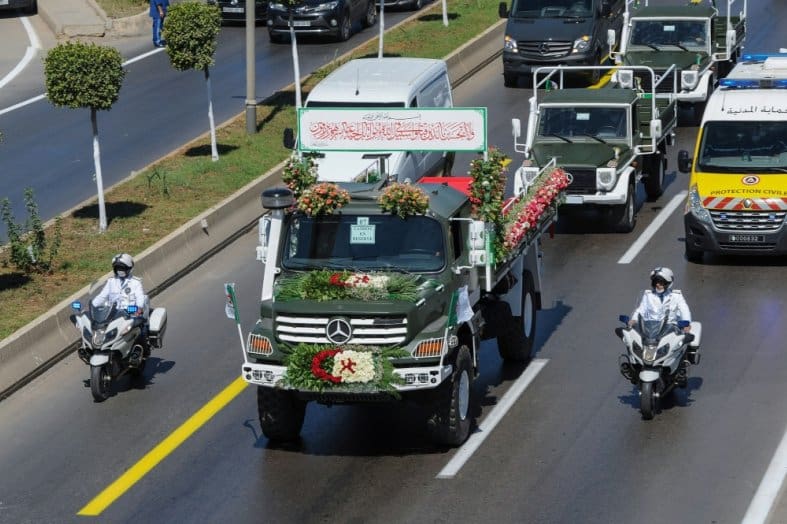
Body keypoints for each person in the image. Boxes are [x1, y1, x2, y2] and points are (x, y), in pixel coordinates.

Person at [628, 267, 692, 332]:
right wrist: (634, 319)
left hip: (670, 329)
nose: (657, 284)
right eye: (655, 282)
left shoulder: (676, 296)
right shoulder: (648, 295)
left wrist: (687, 323)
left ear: (668, 283)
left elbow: (684, 310)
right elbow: (641, 310)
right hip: (650, 330)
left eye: (661, 282)